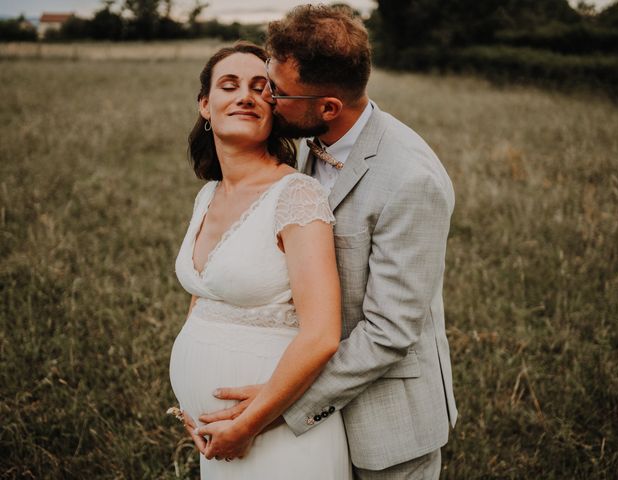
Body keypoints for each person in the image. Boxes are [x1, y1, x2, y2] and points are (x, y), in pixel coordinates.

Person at [195, 5, 458, 479]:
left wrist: (272, 410)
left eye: (277, 91)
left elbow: (388, 332)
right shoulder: (312, 143)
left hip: (387, 427)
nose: (267, 99)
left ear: (328, 107)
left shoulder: (411, 180)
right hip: (313, 417)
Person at [169, 41, 352, 479]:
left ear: (274, 110)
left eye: (259, 87)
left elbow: (323, 335)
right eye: (229, 86)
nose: (244, 96)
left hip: (276, 437)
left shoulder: (296, 195)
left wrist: (248, 424)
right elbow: (205, 293)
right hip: (217, 439)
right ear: (205, 106)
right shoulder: (208, 194)